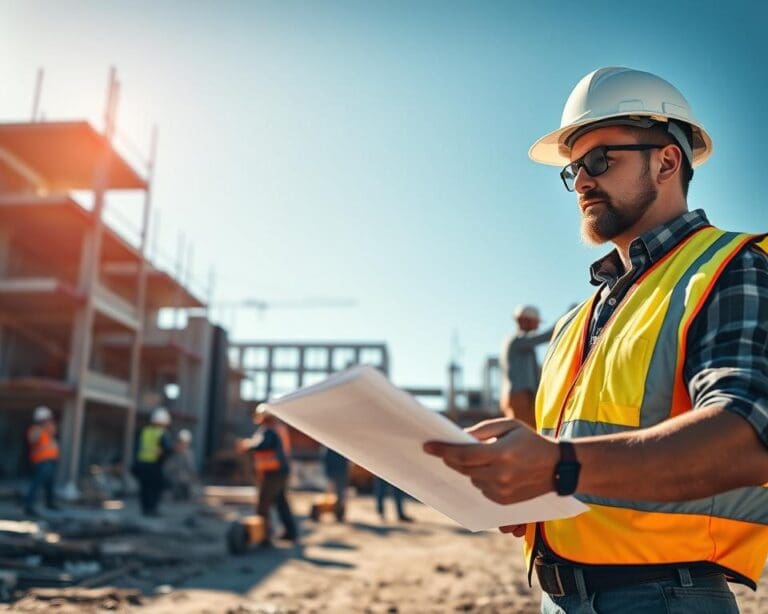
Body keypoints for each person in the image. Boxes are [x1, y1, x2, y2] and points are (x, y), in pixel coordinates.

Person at [424, 66, 768, 613]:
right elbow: (586, 458)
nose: (582, 180)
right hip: (558, 598)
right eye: (574, 169)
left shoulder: (728, 269)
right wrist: (528, 488)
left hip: (664, 597)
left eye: (600, 160)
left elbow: (751, 435)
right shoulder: (578, 320)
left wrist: (558, 464)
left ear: (667, 160)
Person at [243, 406, 297, 545]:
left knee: (263, 505)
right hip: (280, 471)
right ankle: (291, 532)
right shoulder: (278, 428)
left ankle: (264, 536)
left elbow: (263, 444)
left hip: (273, 472)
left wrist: (248, 445)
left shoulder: (268, 430)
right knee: (281, 502)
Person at [499, 304, 554, 427]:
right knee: (526, 435)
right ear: (526, 320)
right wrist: (566, 318)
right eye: (536, 322)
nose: (538, 325)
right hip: (521, 396)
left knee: (523, 434)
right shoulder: (517, 341)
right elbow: (547, 336)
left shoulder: (518, 342)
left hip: (517, 396)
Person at [132, 407, 174, 516]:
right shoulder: (162, 433)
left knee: (144, 488)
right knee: (155, 488)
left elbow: (137, 448)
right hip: (155, 465)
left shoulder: (145, 431)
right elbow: (168, 449)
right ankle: (152, 509)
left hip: (142, 464)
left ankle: (145, 509)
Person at [23, 406, 60, 516]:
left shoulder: (48, 430)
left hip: (50, 461)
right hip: (41, 462)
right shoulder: (35, 429)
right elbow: (32, 440)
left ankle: (50, 503)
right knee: (36, 484)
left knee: (49, 485)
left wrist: (48, 428)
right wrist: (41, 429)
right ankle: (29, 506)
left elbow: (53, 433)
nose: (49, 421)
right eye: (47, 418)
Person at [164, 429, 198, 501]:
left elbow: (191, 467)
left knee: (188, 489)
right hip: (174, 478)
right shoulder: (173, 453)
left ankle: (184, 496)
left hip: (184, 479)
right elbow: (168, 467)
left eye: (185, 443)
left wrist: (194, 476)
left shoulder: (188, 453)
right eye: (181, 443)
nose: (183, 445)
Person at [323, 447, 350, 520]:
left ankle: (339, 513)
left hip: (337, 471)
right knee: (339, 494)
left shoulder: (329, 446)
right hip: (339, 471)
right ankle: (338, 512)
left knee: (337, 494)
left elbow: (325, 458)